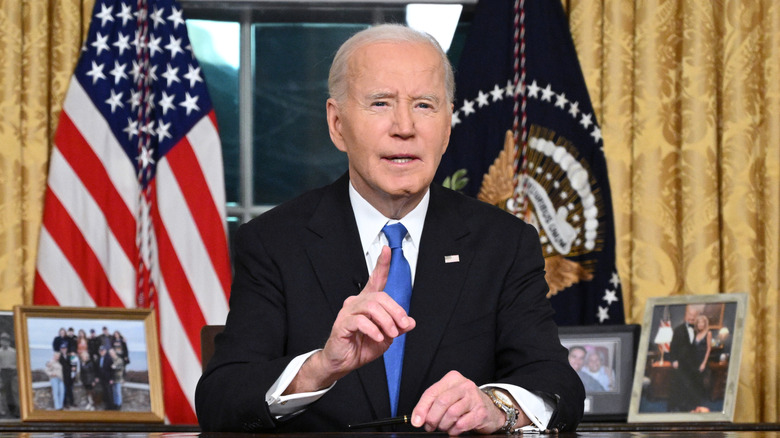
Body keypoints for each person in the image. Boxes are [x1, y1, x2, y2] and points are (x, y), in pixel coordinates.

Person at [195, 24, 583, 434]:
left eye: (425, 105)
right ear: (337, 124)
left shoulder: (504, 243)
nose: (404, 126)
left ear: (448, 125)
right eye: (380, 103)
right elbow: (221, 398)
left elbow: (558, 384)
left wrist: (495, 406)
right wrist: (321, 367)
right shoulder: (274, 242)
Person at [668, 305, 701, 412]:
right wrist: (673, 360)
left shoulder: (698, 330)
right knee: (680, 386)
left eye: (694, 315)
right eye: (690, 314)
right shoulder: (678, 330)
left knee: (692, 386)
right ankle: (676, 407)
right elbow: (672, 347)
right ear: (685, 315)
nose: (692, 317)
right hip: (681, 364)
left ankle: (690, 407)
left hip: (692, 364)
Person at [692, 314, 712, 405]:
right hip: (694, 359)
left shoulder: (708, 333)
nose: (700, 324)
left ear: (705, 324)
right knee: (694, 379)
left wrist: (704, 363)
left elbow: (709, 348)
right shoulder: (696, 333)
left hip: (702, 360)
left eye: (702, 323)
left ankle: (700, 402)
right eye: (698, 323)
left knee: (701, 380)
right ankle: (695, 399)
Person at [0, 332, 19, 417]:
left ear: (8, 342)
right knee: (7, 393)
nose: (4, 342)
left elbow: (18, 363)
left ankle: (17, 410)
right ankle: (11, 410)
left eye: (6, 340)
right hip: (3, 372)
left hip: (13, 372)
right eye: (2, 340)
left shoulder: (13, 352)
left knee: (15, 391)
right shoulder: (0, 352)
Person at [96, 345, 114, 410]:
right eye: (100, 351)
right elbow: (98, 369)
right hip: (102, 379)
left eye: (103, 350)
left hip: (108, 378)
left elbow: (112, 370)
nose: (101, 352)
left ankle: (111, 407)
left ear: (105, 351)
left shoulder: (109, 358)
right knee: (105, 393)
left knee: (109, 393)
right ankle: (107, 406)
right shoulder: (99, 359)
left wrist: (111, 379)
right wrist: (97, 377)